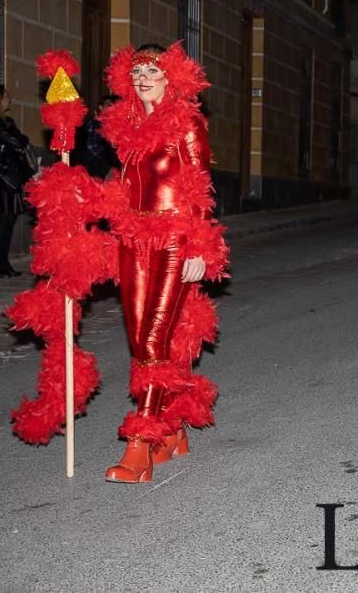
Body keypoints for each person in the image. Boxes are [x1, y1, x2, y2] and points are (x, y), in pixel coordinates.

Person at [98, 43, 229, 483]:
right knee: (141, 338)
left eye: (153, 69)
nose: (143, 77)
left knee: (155, 334)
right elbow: (121, 186)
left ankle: (142, 444)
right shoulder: (128, 126)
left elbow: (198, 185)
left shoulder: (187, 123)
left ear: (172, 77)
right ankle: (172, 428)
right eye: (137, 71)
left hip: (175, 236)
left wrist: (199, 247)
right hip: (133, 239)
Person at [0, 84, 36, 278]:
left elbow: (22, 140)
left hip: (11, 176)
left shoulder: (6, 121)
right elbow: (16, 141)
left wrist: (17, 137)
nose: (9, 99)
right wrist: (17, 138)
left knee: (8, 221)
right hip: (2, 177)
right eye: (6, 96)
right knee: (5, 222)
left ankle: (1, 263)